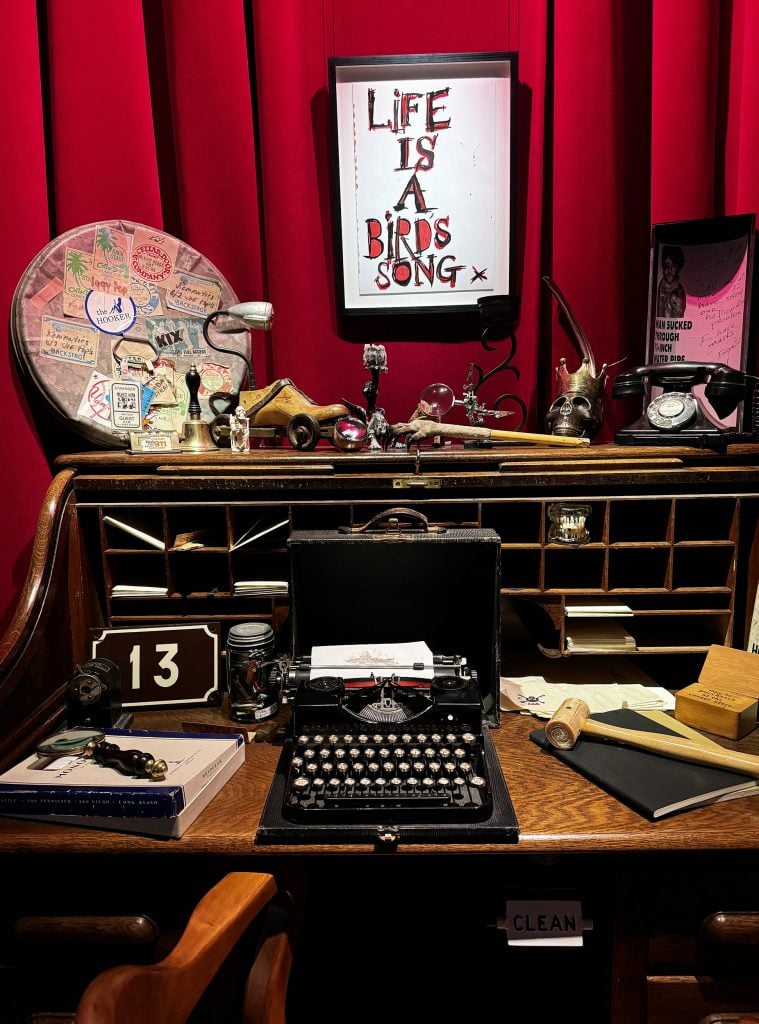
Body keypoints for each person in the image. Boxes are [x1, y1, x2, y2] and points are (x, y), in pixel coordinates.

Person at [656, 245, 686, 318]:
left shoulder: (680, 291)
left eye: (673, 266)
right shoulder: (660, 286)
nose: (669, 271)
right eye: (666, 266)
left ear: (678, 268)